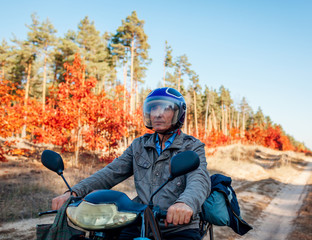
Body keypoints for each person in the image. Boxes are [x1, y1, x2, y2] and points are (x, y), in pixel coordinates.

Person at [52, 87, 211, 239]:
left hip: (177, 226)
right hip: (139, 221)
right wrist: (74, 192)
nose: (157, 114)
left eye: (165, 109)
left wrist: (185, 203)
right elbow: (110, 173)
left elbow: (199, 180)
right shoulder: (139, 145)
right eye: (153, 109)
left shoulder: (191, 146)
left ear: (178, 113)